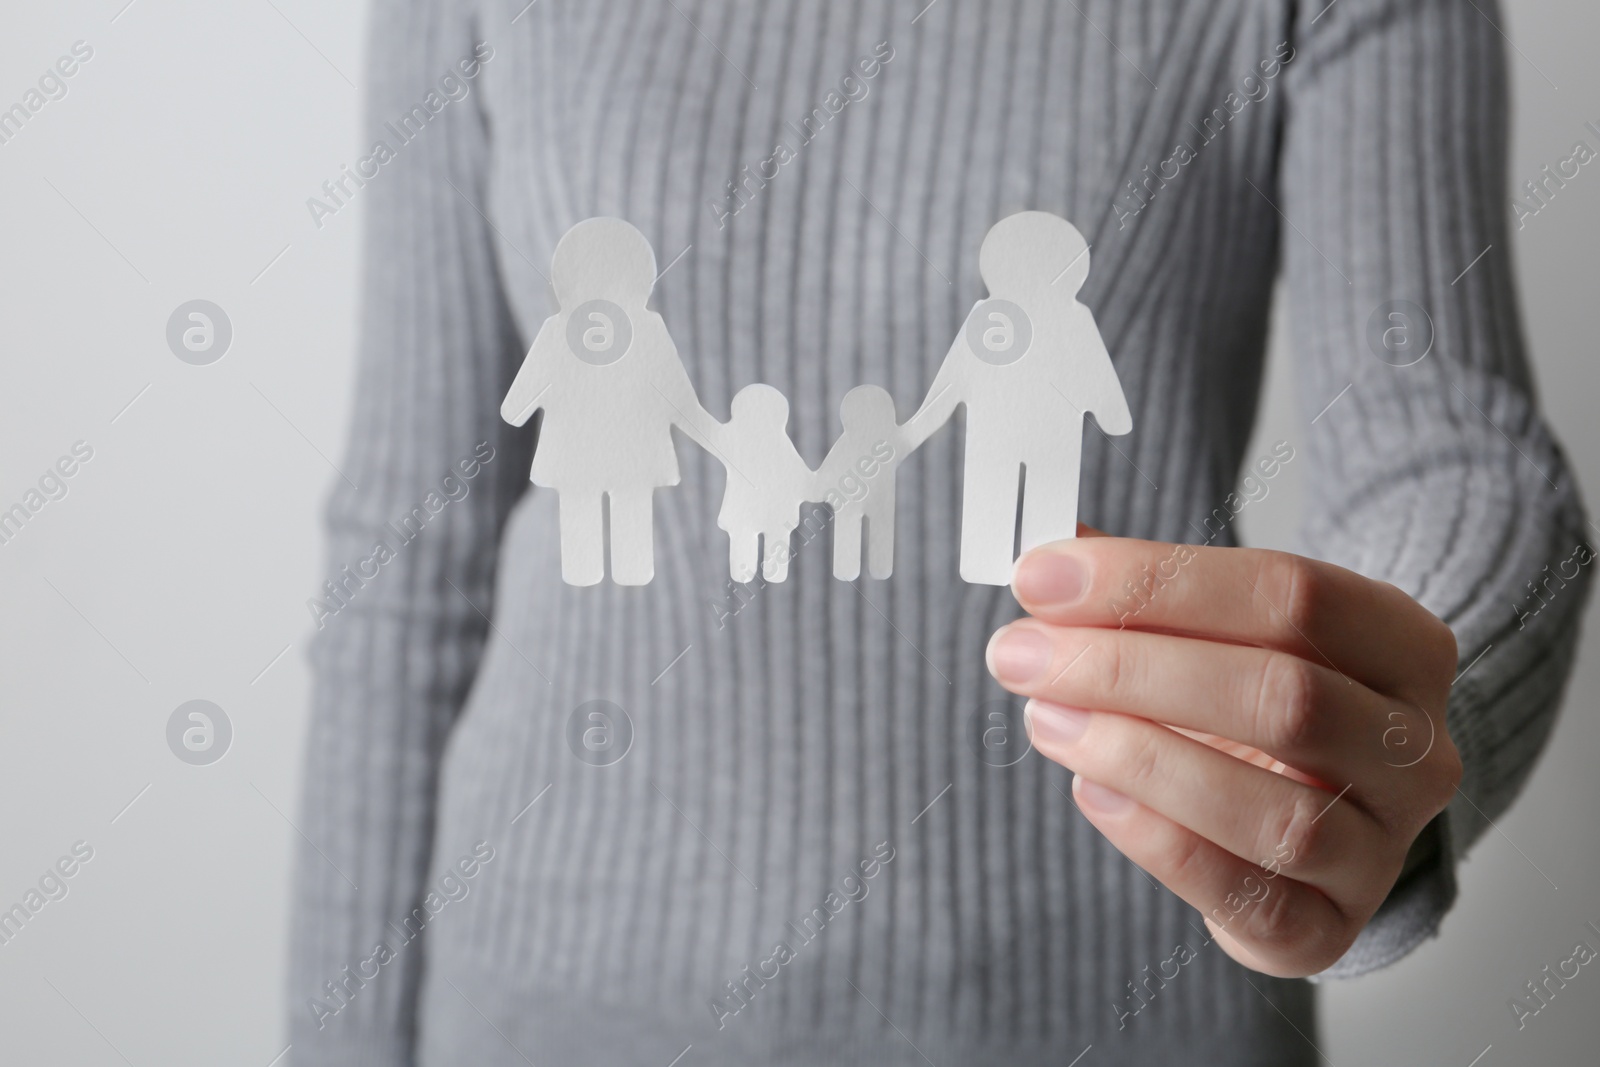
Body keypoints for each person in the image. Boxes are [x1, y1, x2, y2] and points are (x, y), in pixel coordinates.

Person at [288, 3, 1591, 1066]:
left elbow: (1446, 448)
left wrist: (1391, 718)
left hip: (1122, 1010)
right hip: (545, 1015)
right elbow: (406, 570)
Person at [906, 212, 1132, 584]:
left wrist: (920, 425)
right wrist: (1114, 416)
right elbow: (955, 378)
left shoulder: (1069, 318)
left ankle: (1034, 572)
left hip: (1032, 434)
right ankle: (995, 563)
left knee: (1037, 508)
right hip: (1027, 433)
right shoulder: (1009, 316)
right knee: (1002, 498)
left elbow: (951, 384)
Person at [499, 217, 719, 585]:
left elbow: (516, 408)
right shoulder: (646, 329)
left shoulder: (560, 331)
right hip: (634, 455)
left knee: (585, 520)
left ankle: (591, 571)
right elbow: (680, 400)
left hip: (575, 458)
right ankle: (624, 571)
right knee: (628, 517)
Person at [715, 383, 814, 583]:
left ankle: (763, 573)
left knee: (764, 550)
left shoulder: (772, 444)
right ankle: (756, 573)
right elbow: (804, 477)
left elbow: (802, 476)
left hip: (761, 513)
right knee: (751, 550)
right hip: (766, 514)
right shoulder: (738, 440)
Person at [815, 384, 910, 580]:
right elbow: (827, 471)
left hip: (867, 501)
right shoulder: (857, 443)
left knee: (873, 533)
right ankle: (865, 568)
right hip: (857, 502)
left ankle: (871, 568)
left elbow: (825, 472)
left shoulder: (885, 442)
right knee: (865, 532)